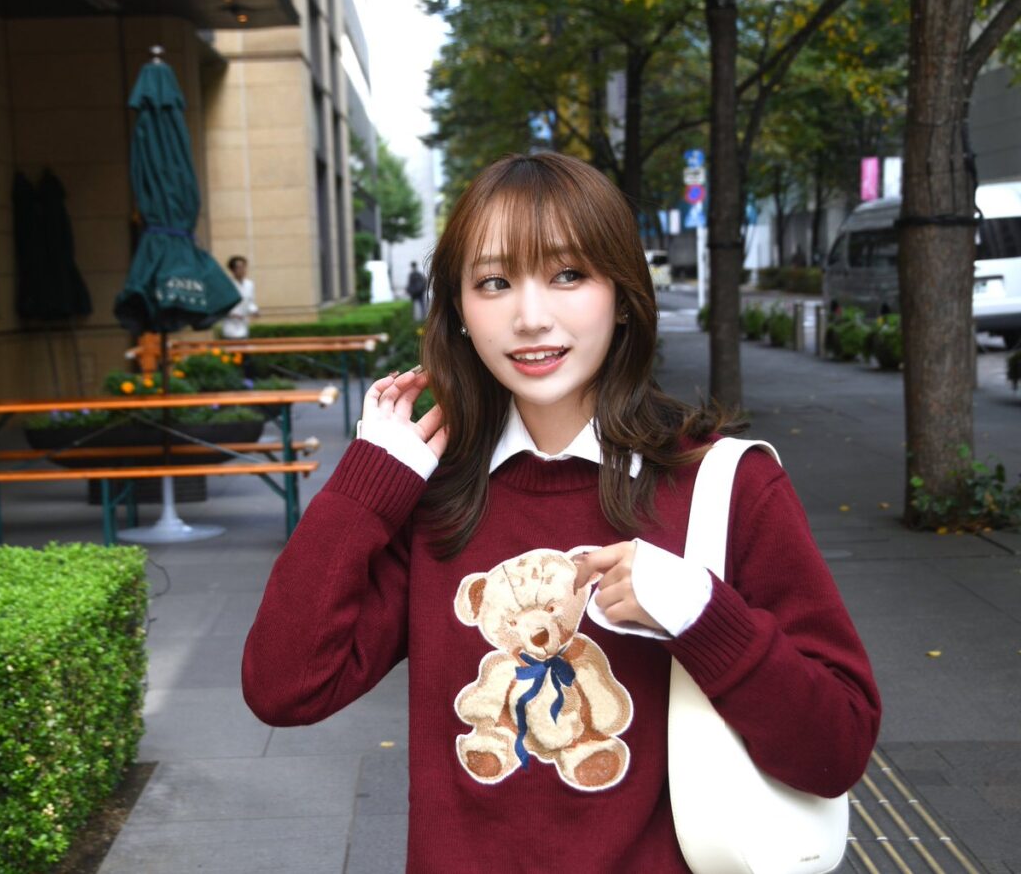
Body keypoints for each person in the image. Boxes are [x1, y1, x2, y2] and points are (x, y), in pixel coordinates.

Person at [242, 153, 880, 873]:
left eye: (568, 274)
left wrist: (703, 614)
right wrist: (364, 491)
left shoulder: (723, 483)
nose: (531, 317)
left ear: (623, 294)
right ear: (458, 311)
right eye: (493, 282)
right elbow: (284, 687)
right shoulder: (432, 497)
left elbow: (837, 749)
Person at [221, 255, 259, 340]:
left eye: (244, 267)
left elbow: (250, 302)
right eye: (239, 267)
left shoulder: (249, 284)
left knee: (246, 346)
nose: (242, 270)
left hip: (244, 327)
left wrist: (254, 311)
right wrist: (232, 314)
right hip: (230, 328)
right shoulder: (226, 285)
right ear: (232, 270)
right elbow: (221, 307)